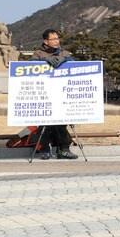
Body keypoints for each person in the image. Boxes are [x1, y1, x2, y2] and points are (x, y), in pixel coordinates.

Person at [33, 28, 78, 160]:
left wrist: (64, 59)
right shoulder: (38, 54)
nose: (57, 41)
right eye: (53, 39)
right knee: (44, 123)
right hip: (44, 94)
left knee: (61, 122)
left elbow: (75, 66)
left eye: (57, 38)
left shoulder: (65, 53)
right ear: (46, 41)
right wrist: (45, 61)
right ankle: (44, 149)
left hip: (61, 94)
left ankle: (63, 149)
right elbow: (28, 67)